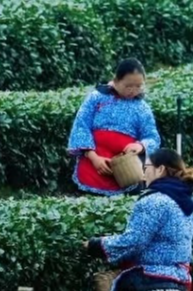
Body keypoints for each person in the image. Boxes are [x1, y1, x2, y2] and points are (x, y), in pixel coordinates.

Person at [84, 149, 193, 291]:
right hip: (178, 288)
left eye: (146, 168)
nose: (143, 173)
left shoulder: (154, 201)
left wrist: (96, 245)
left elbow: (134, 242)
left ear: (160, 170)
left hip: (151, 287)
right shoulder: (188, 202)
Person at [67, 59, 161, 196]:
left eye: (138, 86)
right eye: (128, 86)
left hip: (125, 169)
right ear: (116, 80)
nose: (133, 91)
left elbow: (152, 137)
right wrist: (94, 158)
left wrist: (140, 146)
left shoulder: (142, 108)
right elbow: (81, 126)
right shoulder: (96, 98)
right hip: (93, 162)